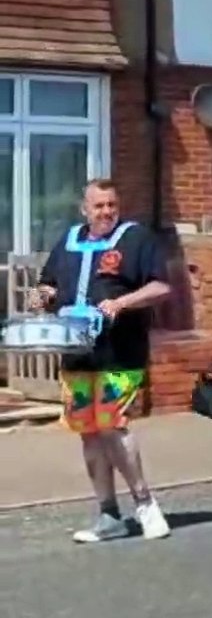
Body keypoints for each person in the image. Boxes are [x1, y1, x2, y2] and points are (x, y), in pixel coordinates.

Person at [28, 179, 174, 543]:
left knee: (112, 424)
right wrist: (41, 296)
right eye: (99, 206)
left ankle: (145, 503)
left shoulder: (136, 238)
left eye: (112, 204)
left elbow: (161, 287)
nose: (106, 211)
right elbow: (48, 285)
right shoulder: (69, 240)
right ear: (85, 209)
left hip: (119, 353)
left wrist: (122, 303)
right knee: (89, 431)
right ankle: (108, 514)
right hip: (77, 355)